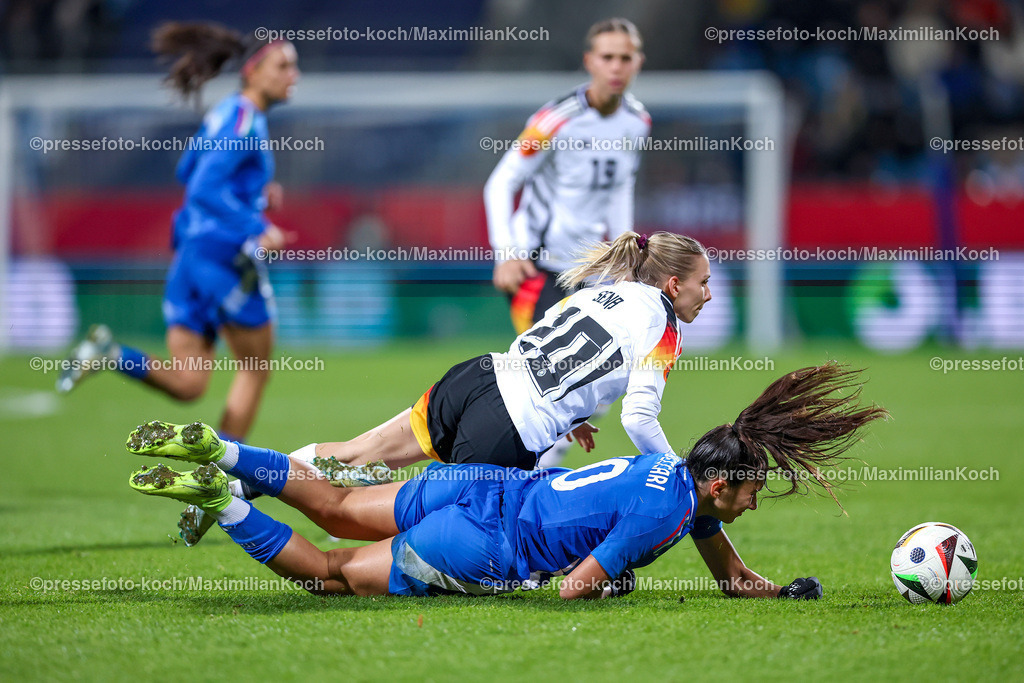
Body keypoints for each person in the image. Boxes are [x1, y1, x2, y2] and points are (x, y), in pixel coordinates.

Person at [125, 362, 888, 599]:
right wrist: (610, 580)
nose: (756, 500)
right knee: (328, 571)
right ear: (719, 486)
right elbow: (573, 584)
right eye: (751, 488)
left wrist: (775, 588)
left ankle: (222, 451)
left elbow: (728, 573)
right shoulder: (669, 514)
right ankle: (223, 503)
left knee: (332, 501)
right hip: (485, 542)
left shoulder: (672, 474)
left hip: (478, 483)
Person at [56, 22, 299, 443]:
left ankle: (111, 353)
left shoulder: (223, 112)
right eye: (283, 65)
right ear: (253, 70)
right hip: (225, 257)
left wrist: (254, 193)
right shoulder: (245, 120)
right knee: (255, 368)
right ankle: (223, 478)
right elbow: (204, 186)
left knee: (190, 384)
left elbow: (187, 169)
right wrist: (257, 224)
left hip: (190, 254)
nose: (292, 75)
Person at [485, 17, 650, 467]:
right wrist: (507, 252)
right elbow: (500, 183)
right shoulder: (554, 120)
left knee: (600, 380)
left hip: (591, 269)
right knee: (546, 383)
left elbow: (619, 190)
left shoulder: (637, 122)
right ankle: (518, 484)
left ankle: (533, 480)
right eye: (607, 57)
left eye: (625, 57)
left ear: (638, 62)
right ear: (589, 62)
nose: (616, 66)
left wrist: (625, 252)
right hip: (537, 268)